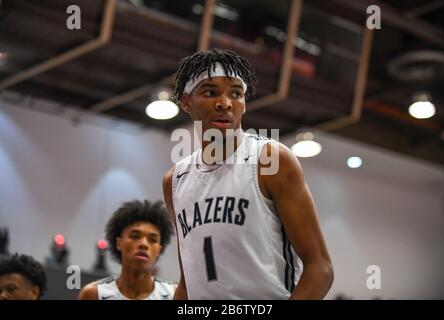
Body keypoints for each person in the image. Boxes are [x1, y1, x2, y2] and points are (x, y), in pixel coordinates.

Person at [163, 49, 333, 299]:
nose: (225, 103)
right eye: (211, 92)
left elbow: (321, 269)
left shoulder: (270, 160)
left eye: (236, 93)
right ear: (186, 102)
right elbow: (188, 285)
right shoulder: (174, 181)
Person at [78, 200, 175, 300]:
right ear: (119, 243)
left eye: (152, 239)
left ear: (159, 249)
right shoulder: (93, 294)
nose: (144, 244)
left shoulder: (174, 295)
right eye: (135, 236)